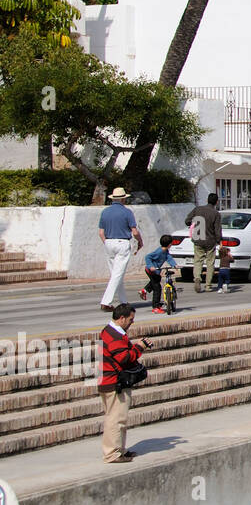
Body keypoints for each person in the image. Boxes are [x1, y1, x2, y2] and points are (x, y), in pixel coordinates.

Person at [99, 303, 150, 463]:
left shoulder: (109, 332)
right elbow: (124, 358)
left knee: (119, 418)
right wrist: (139, 347)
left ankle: (120, 449)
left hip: (109, 381)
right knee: (116, 419)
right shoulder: (114, 335)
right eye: (130, 319)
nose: (132, 322)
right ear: (121, 318)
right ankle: (112, 454)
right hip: (115, 383)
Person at [98, 187, 142, 313]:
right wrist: (140, 241)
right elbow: (134, 231)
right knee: (117, 274)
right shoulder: (127, 212)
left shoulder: (105, 212)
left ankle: (123, 301)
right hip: (122, 242)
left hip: (109, 242)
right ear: (123, 199)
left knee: (116, 274)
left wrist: (107, 242)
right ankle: (106, 302)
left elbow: (101, 232)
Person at [184, 192, 222, 294]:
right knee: (210, 263)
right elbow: (217, 230)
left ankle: (197, 277)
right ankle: (208, 285)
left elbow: (187, 221)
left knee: (198, 261)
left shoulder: (197, 209)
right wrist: (219, 241)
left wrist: (193, 223)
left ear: (207, 200)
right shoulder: (216, 214)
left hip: (198, 239)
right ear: (216, 202)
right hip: (210, 241)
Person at [140, 236, 177, 314]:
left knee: (156, 281)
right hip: (151, 270)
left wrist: (174, 265)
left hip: (156, 271)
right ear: (170, 244)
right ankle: (156, 307)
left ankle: (144, 290)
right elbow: (148, 257)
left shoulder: (165, 251)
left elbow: (168, 257)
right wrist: (151, 266)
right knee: (157, 288)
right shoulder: (159, 251)